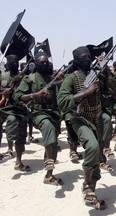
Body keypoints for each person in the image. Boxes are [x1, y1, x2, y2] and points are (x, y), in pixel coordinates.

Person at [57, 46, 106, 209]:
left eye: (89, 56)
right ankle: (86, 184)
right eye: (83, 57)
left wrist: (105, 66)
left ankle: (92, 191)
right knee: (92, 146)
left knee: (97, 153)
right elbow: (62, 101)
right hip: (80, 119)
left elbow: (114, 88)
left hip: (96, 118)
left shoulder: (96, 74)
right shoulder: (72, 78)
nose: (87, 59)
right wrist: (85, 92)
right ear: (76, 60)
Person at [14, 52, 63, 185]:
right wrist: (35, 94)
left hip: (52, 113)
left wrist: (61, 81)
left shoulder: (50, 78)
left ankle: (49, 174)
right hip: (37, 112)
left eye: (47, 62)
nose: (45, 64)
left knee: (53, 140)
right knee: (47, 126)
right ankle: (48, 161)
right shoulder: (29, 79)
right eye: (42, 62)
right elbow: (18, 96)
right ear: (35, 64)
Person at [0, 54, 30, 171]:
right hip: (4, 108)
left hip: (19, 109)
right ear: (7, 64)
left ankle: (18, 161)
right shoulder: (4, 76)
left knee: (21, 136)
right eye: (12, 62)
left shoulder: (24, 76)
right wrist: (5, 90)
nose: (15, 64)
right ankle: (8, 148)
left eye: (17, 62)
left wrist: (21, 81)